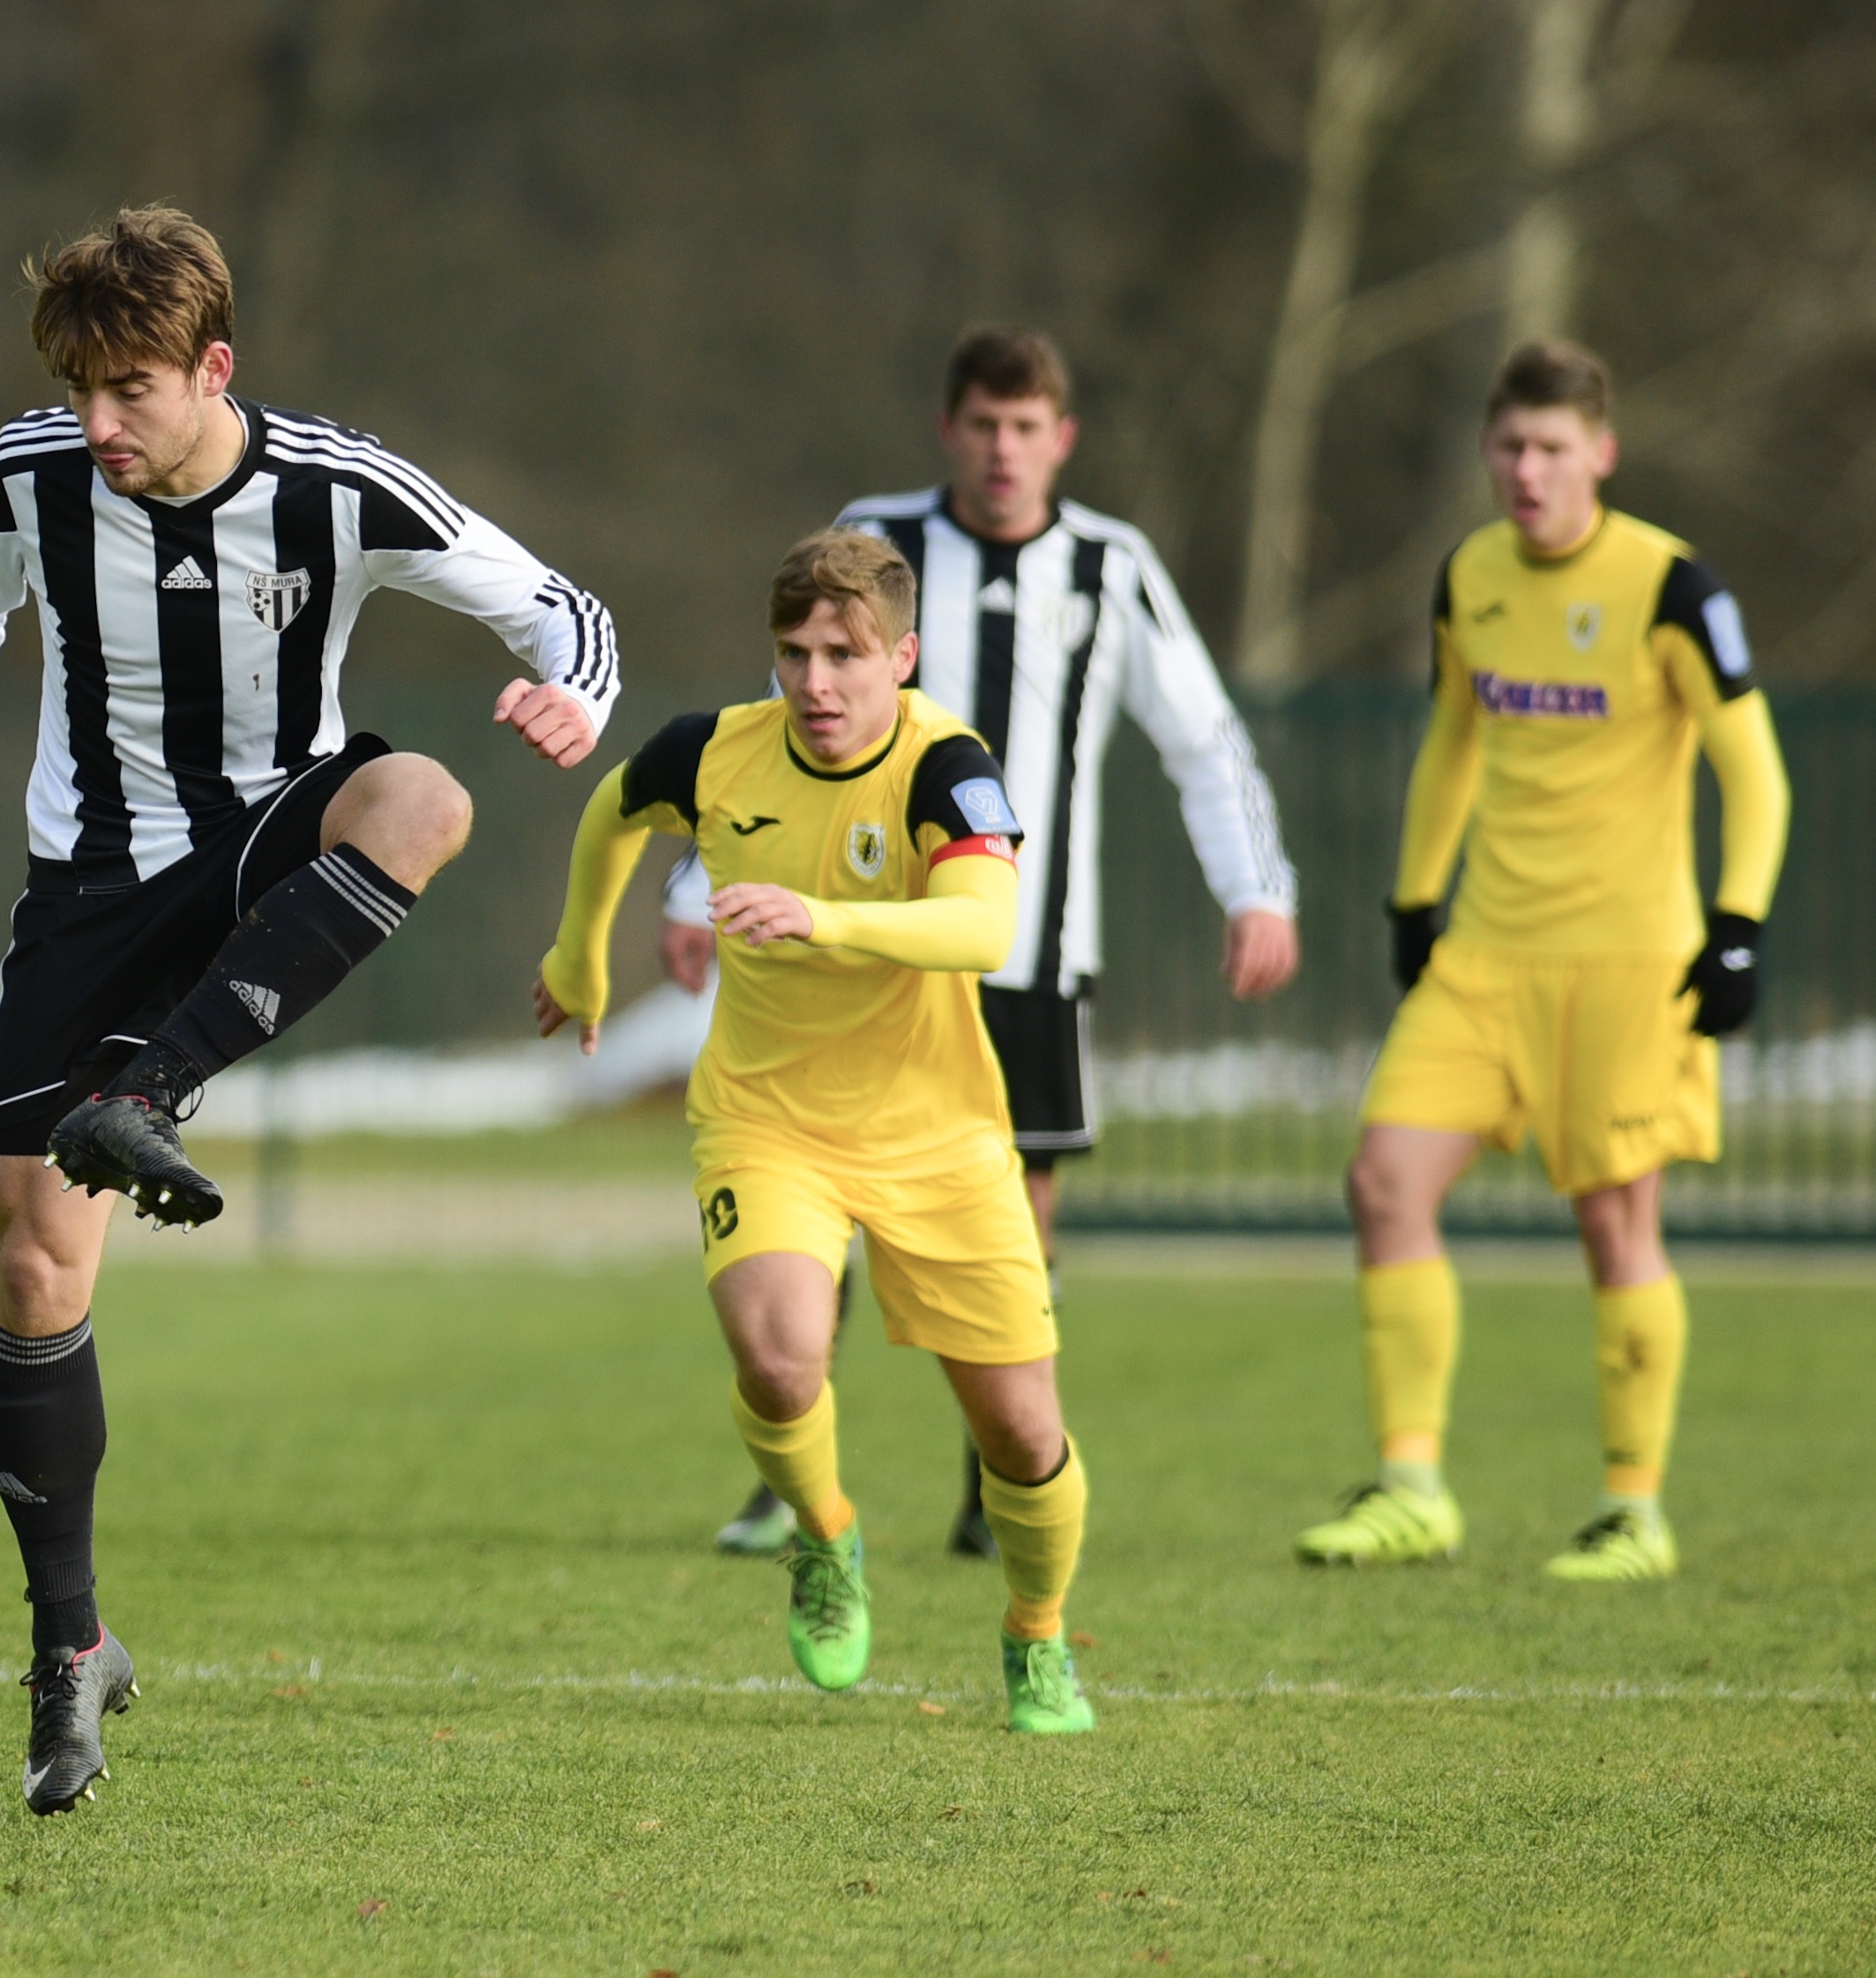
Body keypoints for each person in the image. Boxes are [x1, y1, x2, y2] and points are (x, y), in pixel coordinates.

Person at [0, 206, 617, 1813]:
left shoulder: (336, 486)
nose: (96, 423)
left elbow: (563, 608)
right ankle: (68, 1646)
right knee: (34, 1266)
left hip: (271, 825)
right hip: (89, 885)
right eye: (77, 388)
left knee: (423, 796)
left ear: (213, 368)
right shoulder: (30, 474)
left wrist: (573, 693)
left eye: (129, 389)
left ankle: (154, 1089)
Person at [689, 326, 1299, 1561]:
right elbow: (761, 736)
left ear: (1061, 438)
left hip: (1024, 950)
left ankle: (993, 1478)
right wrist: (685, 888)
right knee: (814, 1197)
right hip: (844, 954)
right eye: (983, 425)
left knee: (1015, 1213)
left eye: (1025, 428)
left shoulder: (1109, 565)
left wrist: (1257, 888)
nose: (1003, 450)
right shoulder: (876, 539)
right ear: (947, 430)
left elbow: (1203, 736)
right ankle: (794, 1478)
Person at [537, 527, 1096, 1733]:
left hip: (939, 1135)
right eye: (794, 652)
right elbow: (612, 809)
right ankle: (825, 1536)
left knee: (1020, 1431)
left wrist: (823, 916)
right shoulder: (714, 750)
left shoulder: (946, 764)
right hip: (766, 1121)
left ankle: (1036, 1633)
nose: (815, 681)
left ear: (901, 657)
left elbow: (983, 927)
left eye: (844, 654)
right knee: (782, 1359)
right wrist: (578, 954)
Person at [1294, 341, 1788, 1582]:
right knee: (1382, 1181)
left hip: (1627, 962)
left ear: (1600, 455)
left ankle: (1633, 1507)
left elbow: (1755, 772)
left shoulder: (1671, 585)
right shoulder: (1469, 575)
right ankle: (1412, 1487)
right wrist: (1415, 895)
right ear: (1485, 449)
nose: (1528, 470)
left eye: (1553, 448)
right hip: (1485, 955)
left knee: (1614, 1224)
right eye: (1510, 446)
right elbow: (1452, 739)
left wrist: (1737, 925)